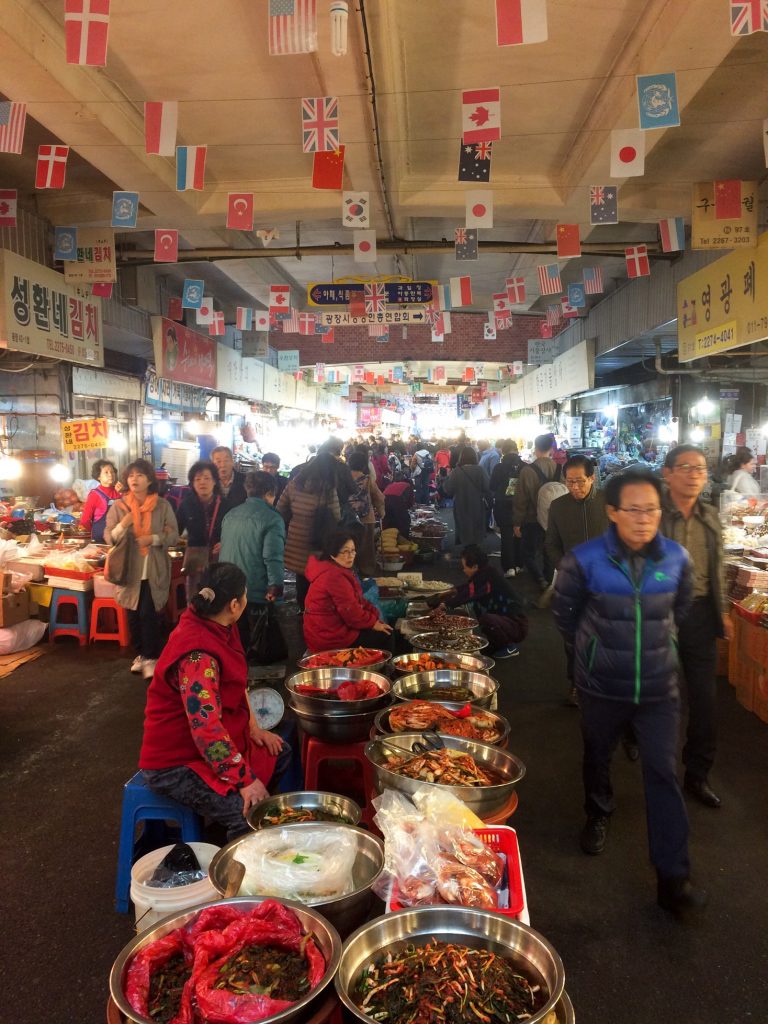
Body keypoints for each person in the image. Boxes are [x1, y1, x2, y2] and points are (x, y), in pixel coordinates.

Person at [552, 469, 706, 918]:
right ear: (613, 512)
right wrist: (591, 655)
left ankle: (674, 879)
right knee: (597, 755)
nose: (643, 519)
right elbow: (566, 616)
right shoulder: (584, 561)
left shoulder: (676, 559)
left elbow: (681, 609)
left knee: (663, 773)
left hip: (659, 687)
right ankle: (598, 812)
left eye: (652, 510)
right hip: (602, 685)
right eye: (633, 510)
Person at [139, 563, 287, 841]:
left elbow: (237, 684)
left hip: (212, 742)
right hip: (176, 762)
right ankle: (235, 868)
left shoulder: (218, 624)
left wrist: (254, 728)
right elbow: (206, 731)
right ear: (234, 604)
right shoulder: (197, 656)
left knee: (281, 752)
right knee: (251, 812)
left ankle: (220, 831)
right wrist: (244, 780)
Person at [661, 444, 732, 809]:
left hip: (701, 616)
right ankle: (635, 739)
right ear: (668, 473)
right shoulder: (654, 514)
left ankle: (697, 774)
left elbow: (717, 567)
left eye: (700, 468)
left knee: (705, 702)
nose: (694, 474)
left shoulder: (711, 516)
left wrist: (722, 614)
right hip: (661, 616)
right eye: (685, 467)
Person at [105, 459, 180, 680]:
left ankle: (151, 657)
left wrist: (153, 538)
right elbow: (110, 537)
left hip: (153, 569)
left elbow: (174, 535)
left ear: (149, 480)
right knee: (133, 614)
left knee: (149, 613)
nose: (134, 479)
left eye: (140, 475)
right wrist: (124, 524)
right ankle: (141, 654)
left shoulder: (162, 506)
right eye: (131, 476)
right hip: (129, 571)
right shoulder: (119, 507)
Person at [545, 455, 609, 707]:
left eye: (580, 481)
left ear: (592, 478)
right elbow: (550, 544)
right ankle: (576, 684)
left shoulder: (608, 503)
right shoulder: (558, 507)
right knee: (573, 639)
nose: (575, 487)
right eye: (569, 482)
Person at [219, 470, 286, 651]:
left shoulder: (231, 514)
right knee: (259, 642)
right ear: (270, 494)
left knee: (236, 638)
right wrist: (275, 586)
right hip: (254, 590)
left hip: (229, 585)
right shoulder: (272, 519)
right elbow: (273, 557)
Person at [302, 528, 394, 652]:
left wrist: (374, 614)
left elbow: (357, 600)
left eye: (352, 551)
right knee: (387, 636)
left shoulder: (333, 568)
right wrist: (373, 623)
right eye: (345, 552)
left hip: (329, 630)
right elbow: (352, 614)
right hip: (329, 638)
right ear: (332, 553)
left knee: (383, 626)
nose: (350, 556)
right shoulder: (334, 576)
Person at [432, 545, 528, 659]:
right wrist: (444, 595)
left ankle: (508, 646)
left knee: (486, 619)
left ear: (475, 566)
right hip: (505, 619)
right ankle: (496, 643)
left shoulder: (487, 577)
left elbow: (468, 593)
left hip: (516, 625)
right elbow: (466, 588)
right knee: (478, 608)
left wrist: (444, 605)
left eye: (465, 567)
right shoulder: (485, 572)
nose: (463, 570)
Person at [277, 452, 341, 611]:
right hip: (319, 540)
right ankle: (314, 612)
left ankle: (302, 610)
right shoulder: (327, 488)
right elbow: (337, 516)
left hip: (296, 539)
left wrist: (296, 519)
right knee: (317, 577)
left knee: (301, 575)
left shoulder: (294, 483)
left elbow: (280, 509)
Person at [513, 432, 560, 590]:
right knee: (549, 552)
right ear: (550, 449)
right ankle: (547, 580)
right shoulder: (559, 469)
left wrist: (517, 522)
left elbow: (521, 499)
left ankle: (539, 579)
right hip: (553, 519)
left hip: (532, 519)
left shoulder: (527, 470)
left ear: (536, 448)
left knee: (528, 553)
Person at [176, 460, 225, 600]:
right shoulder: (186, 504)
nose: (202, 482)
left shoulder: (225, 504)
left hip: (219, 558)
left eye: (207, 478)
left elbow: (234, 531)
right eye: (197, 479)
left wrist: (225, 542)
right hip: (195, 559)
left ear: (215, 481)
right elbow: (175, 530)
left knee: (219, 597)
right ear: (192, 483)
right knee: (195, 597)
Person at [347, 451, 385, 577]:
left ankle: (350, 573)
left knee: (349, 547)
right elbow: (378, 497)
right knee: (366, 548)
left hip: (348, 519)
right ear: (364, 465)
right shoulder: (367, 479)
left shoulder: (343, 478)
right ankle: (366, 574)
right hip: (366, 519)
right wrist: (381, 512)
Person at [442, 447, 490, 547]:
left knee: (463, 525)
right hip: (477, 503)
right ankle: (474, 548)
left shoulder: (456, 471)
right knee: (476, 525)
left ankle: (466, 548)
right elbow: (487, 487)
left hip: (460, 504)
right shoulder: (480, 470)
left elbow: (448, 489)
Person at [490, 441, 524, 578]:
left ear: (503, 452)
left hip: (502, 505)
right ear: (516, 450)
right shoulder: (525, 466)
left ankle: (509, 567)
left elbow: (492, 486)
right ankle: (519, 564)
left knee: (506, 535)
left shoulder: (499, 467)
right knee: (520, 534)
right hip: (521, 505)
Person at [80, 459, 120, 542]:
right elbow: (84, 520)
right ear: (98, 476)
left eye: (112, 472)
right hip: (100, 539)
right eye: (106, 472)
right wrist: (96, 531)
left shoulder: (119, 492)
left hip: (119, 538)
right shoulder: (94, 495)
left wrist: (124, 492)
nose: (110, 475)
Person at [210, 446, 247, 514]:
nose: (223, 465)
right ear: (212, 464)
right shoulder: (209, 482)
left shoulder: (246, 481)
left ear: (232, 462)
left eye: (226, 460)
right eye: (218, 461)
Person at [383, 473, 414, 538]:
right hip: (396, 500)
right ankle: (403, 539)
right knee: (404, 521)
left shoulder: (391, 484)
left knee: (388, 520)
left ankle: (387, 538)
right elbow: (410, 502)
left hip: (384, 500)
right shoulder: (408, 485)